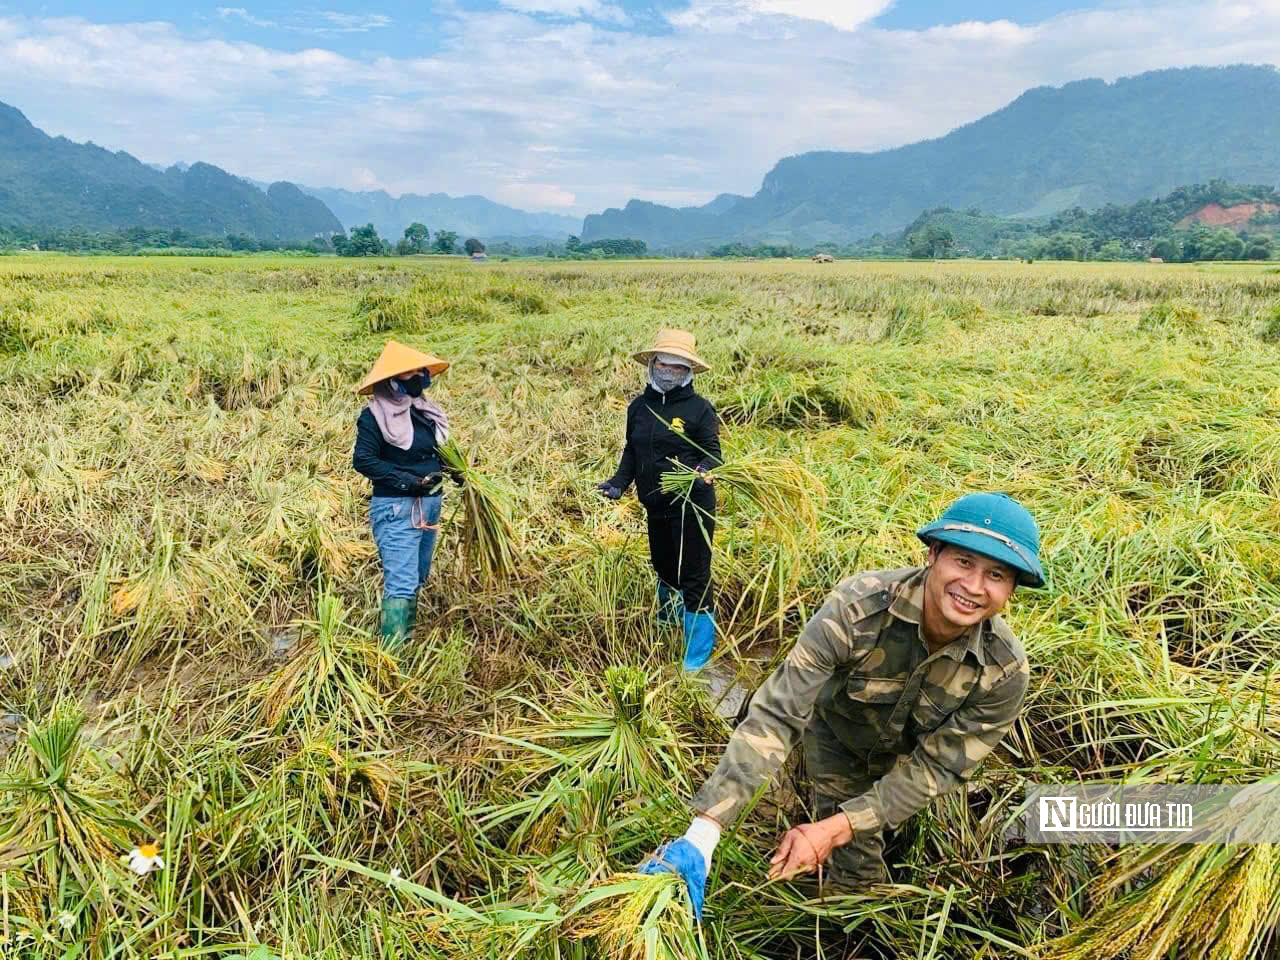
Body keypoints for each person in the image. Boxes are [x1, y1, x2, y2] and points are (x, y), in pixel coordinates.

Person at [641, 493, 1043, 915]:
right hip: (831, 733)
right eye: (963, 562)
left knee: (856, 887)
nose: (974, 587)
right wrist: (704, 833)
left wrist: (836, 828)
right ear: (933, 554)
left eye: (995, 574)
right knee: (816, 862)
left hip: (900, 764)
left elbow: (940, 767)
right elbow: (778, 714)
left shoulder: (1003, 671)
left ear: (1011, 589)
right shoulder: (857, 609)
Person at [597, 329, 722, 670]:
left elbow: (713, 455)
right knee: (665, 569)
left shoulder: (700, 410)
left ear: (689, 373)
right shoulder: (638, 408)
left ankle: (696, 661)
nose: (669, 371)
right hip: (656, 505)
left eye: (678, 367)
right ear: (651, 365)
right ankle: (667, 629)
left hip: (692, 506)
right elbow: (632, 452)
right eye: (663, 364)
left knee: (695, 575)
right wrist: (618, 484)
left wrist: (700, 469)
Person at [352, 339, 459, 650]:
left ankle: (406, 638)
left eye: (421, 374)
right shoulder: (374, 416)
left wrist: (457, 470)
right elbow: (364, 461)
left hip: (430, 505)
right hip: (397, 508)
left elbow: (437, 451)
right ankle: (391, 656)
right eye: (411, 375)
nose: (419, 380)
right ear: (392, 382)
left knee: (418, 574)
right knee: (401, 582)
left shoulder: (425, 412)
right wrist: (410, 482)